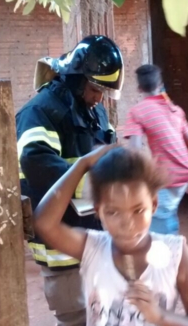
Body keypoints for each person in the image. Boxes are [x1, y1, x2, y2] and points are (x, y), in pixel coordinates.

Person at [34, 145, 188, 326]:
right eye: (113, 212)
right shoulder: (92, 248)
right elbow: (44, 224)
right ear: (98, 211)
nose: (127, 224)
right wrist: (82, 164)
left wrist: (159, 317)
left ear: (153, 204)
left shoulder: (177, 254)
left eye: (138, 210)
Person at [16, 35, 123, 325]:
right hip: (62, 251)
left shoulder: (96, 112)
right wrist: (101, 182)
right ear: (76, 78)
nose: (99, 98)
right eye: (94, 89)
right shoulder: (39, 112)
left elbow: (108, 155)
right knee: (76, 319)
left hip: (96, 243)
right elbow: (37, 164)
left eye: (104, 91)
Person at [121, 64, 188, 294]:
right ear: (159, 84)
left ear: (138, 87)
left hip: (166, 181)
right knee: (157, 233)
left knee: (163, 238)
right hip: (183, 176)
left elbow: (135, 152)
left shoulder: (138, 112)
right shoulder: (174, 109)